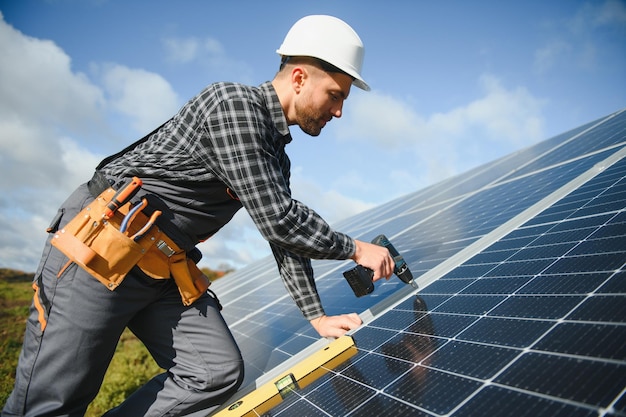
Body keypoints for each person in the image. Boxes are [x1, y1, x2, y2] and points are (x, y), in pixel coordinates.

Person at [2, 14, 394, 417]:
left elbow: (284, 238)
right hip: (101, 247)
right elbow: (280, 219)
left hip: (162, 266)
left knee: (213, 372)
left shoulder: (276, 157)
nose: (339, 110)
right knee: (52, 402)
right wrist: (354, 249)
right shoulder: (235, 106)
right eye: (335, 94)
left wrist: (317, 317)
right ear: (298, 78)